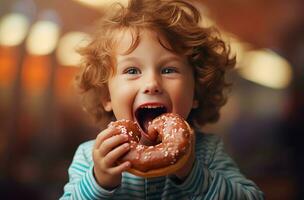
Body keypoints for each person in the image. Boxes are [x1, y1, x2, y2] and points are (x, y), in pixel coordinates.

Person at [60, 0, 264, 199]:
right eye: (132, 70)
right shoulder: (90, 157)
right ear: (106, 96)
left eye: (168, 70)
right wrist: (98, 182)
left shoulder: (207, 152)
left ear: (196, 92)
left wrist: (192, 172)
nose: (151, 83)